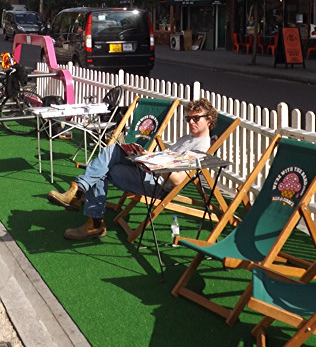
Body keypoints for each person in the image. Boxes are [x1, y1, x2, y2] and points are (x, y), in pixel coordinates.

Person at [47, 98, 218, 240]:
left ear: (209, 119)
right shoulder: (187, 138)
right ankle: (85, 203)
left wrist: (154, 162)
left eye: (196, 119)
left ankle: (90, 214)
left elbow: (178, 180)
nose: (191, 122)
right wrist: (146, 156)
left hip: (158, 185)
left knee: (104, 169)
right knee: (112, 151)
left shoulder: (202, 148)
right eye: (188, 119)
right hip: (149, 171)